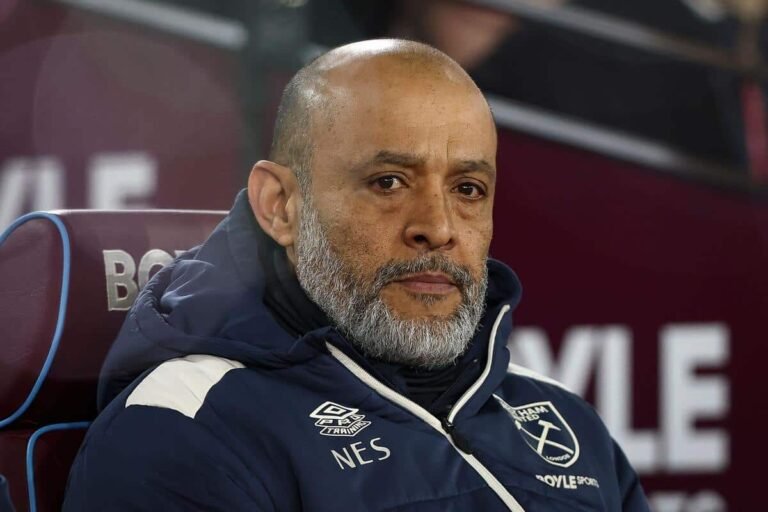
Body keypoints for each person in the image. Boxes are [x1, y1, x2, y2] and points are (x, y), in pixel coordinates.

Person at [63, 39, 649, 511]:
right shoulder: (188, 428)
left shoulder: (564, 417)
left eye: (468, 189)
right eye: (388, 182)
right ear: (281, 206)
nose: (437, 227)